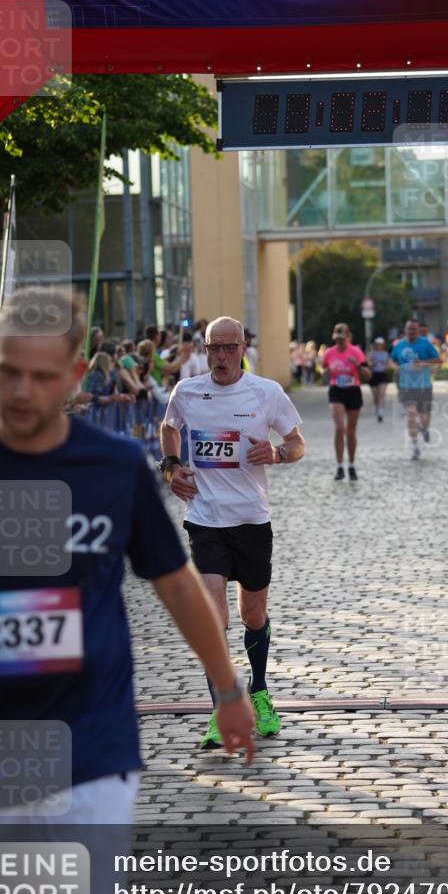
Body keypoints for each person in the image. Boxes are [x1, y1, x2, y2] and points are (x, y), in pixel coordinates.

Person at [0, 288, 255, 894]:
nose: (22, 390)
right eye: (9, 370)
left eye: (43, 376)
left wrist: (227, 687)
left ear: (75, 377)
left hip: (94, 729)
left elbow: (174, 583)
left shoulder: (111, 466)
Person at [159, 316, 305, 749]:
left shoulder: (266, 393)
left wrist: (278, 453)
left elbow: (298, 442)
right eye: (213, 349)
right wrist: (171, 467)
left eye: (229, 348)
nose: (221, 357)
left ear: (243, 348)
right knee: (213, 617)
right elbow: (170, 428)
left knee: (252, 616)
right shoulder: (186, 392)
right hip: (205, 519)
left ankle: (258, 691)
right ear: (205, 350)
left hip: (251, 521)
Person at [321, 323, 371, 480]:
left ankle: (351, 465)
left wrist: (357, 366)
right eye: (337, 339)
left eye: (342, 339)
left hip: (353, 391)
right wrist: (325, 373)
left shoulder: (356, 352)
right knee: (340, 428)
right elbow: (324, 372)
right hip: (336, 391)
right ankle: (339, 466)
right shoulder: (329, 353)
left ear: (348, 337)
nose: (339, 342)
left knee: (350, 432)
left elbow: (368, 375)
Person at [390, 318, 441, 460]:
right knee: (411, 413)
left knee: (424, 417)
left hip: (424, 385)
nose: (411, 332)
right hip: (407, 386)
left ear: (418, 331)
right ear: (405, 330)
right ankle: (415, 446)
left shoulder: (425, 344)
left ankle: (424, 428)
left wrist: (423, 363)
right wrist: (396, 368)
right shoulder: (399, 345)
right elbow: (392, 360)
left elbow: (437, 359)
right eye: (409, 329)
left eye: (414, 329)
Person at [368, 336, 390, 422]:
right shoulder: (372, 353)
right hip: (373, 375)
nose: (379, 346)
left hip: (382, 375)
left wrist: (386, 367)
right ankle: (377, 407)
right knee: (375, 395)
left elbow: (388, 363)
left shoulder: (385, 353)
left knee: (382, 393)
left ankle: (381, 410)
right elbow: (368, 363)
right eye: (378, 344)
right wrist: (372, 362)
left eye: (381, 344)